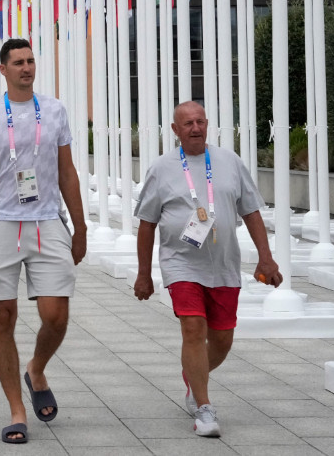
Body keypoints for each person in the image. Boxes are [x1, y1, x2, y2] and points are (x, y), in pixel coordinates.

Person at [0, 39, 88, 445]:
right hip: (0, 221)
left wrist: (80, 228)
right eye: (18, 62)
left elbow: (67, 172)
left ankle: (37, 368)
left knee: (55, 315)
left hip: (47, 219)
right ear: (3, 69)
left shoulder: (56, 109)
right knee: (3, 317)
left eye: (31, 61)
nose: (26, 67)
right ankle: (16, 409)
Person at [133, 101, 283, 438]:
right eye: (188, 123)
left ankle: (193, 374)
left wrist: (266, 257)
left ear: (208, 125)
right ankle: (203, 408)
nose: (196, 128)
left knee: (222, 339)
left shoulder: (229, 162)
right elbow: (146, 224)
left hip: (224, 263)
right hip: (181, 262)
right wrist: (144, 274)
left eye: (200, 121)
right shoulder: (162, 168)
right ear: (175, 130)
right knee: (193, 328)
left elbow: (252, 212)